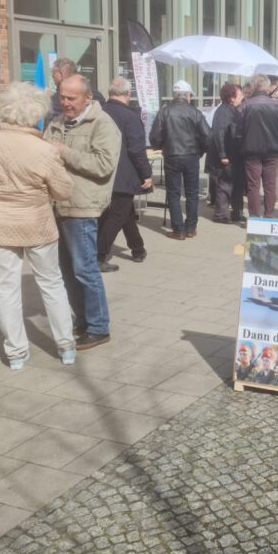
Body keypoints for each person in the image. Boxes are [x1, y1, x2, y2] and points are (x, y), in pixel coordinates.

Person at [0, 83, 77, 369]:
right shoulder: (43, 150)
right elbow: (64, 191)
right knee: (51, 283)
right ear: (36, 113)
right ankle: (65, 345)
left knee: (6, 288)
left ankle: (16, 352)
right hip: (37, 221)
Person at [43, 73, 120, 350]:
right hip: (57, 206)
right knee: (67, 270)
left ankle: (99, 326)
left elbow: (103, 165)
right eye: (62, 97)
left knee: (84, 269)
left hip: (83, 206)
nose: (65, 103)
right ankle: (83, 321)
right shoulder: (56, 123)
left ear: (88, 98)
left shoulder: (103, 124)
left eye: (71, 98)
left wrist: (63, 152)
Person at [97, 76, 152, 271]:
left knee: (125, 212)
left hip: (102, 171)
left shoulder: (99, 112)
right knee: (117, 215)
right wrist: (147, 173)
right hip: (123, 173)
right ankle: (99, 255)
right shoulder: (130, 116)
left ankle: (138, 249)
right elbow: (137, 149)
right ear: (128, 94)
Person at [149, 79, 210, 239]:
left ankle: (179, 229)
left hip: (172, 155)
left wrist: (160, 146)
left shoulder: (165, 111)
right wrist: (200, 151)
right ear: (188, 95)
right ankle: (191, 227)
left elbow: (155, 135)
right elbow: (207, 136)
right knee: (192, 193)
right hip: (191, 156)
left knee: (173, 193)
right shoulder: (195, 112)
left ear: (174, 95)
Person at [238, 74, 278, 219]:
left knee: (253, 186)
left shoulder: (245, 106)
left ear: (254, 87)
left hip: (251, 152)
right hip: (272, 151)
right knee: (270, 184)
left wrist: (243, 142)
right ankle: (269, 215)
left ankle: (254, 217)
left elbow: (237, 131)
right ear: (267, 87)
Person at [207, 82, 244, 223]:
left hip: (234, 154)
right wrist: (223, 155)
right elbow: (219, 133)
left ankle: (237, 213)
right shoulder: (223, 112)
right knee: (225, 185)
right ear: (231, 98)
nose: (242, 97)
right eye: (240, 95)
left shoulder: (233, 110)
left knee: (236, 185)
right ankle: (221, 215)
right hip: (226, 155)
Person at [50, 57, 104, 124]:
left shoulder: (58, 97)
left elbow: (52, 122)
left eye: (53, 75)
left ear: (61, 74)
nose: (65, 102)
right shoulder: (94, 92)